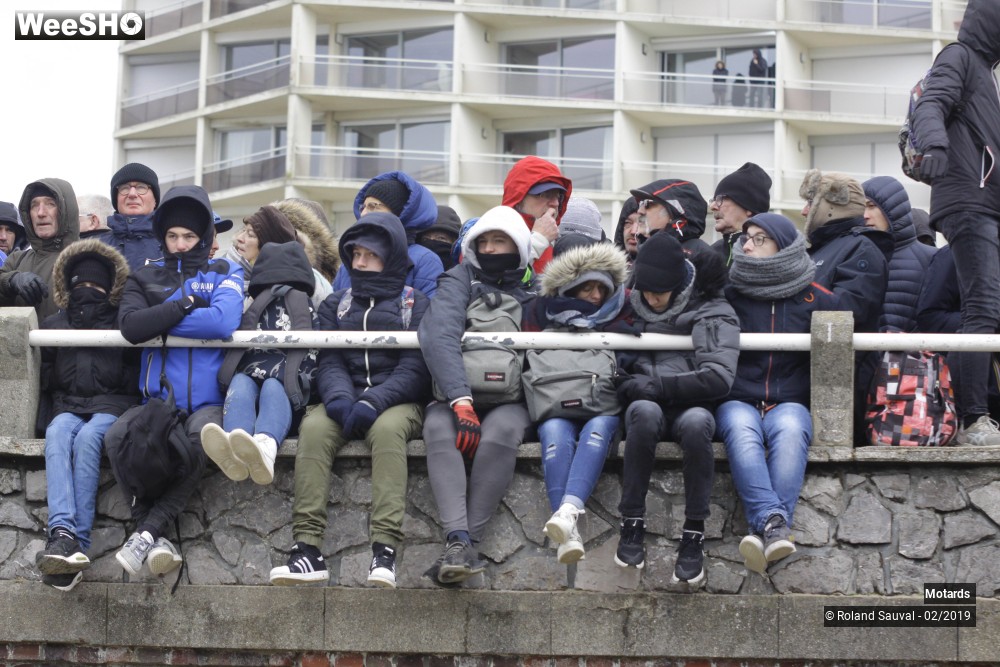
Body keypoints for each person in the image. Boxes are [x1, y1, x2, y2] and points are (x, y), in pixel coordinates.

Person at [269, 211, 430, 589]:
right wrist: (341, 399)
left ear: (390, 258)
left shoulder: (416, 303)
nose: (360, 263)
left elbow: (416, 369)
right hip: (347, 397)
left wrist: (374, 401)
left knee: (388, 432)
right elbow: (330, 360)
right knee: (314, 428)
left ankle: (384, 550)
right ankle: (307, 548)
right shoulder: (336, 304)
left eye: (370, 255)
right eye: (355, 255)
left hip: (398, 401)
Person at [105, 185, 243, 578]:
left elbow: (221, 321)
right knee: (117, 438)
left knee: (202, 440)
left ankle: (146, 532)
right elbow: (132, 327)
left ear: (204, 238)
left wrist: (161, 319)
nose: (180, 244)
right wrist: (183, 304)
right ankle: (154, 537)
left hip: (208, 400)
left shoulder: (225, 270)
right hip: (157, 401)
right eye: (172, 236)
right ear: (162, 236)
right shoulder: (144, 276)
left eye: (189, 236)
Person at [418, 205, 537, 587]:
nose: (489, 248)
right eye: (482, 241)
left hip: (512, 399)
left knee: (500, 435)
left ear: (518, 245)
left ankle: (467, 544)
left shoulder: (537, 288)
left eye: (499, 240)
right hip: (455, 397)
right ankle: (457, 541)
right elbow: (438, 334)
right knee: (438, 431)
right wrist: (460, 399)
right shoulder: (458, 279)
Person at [613, 233, 739, 590]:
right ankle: (632, 523)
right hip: (646, 405)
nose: (651, 300)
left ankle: (694, 533)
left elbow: (718, 376)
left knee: (699, 423)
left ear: (680, 283)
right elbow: (614, 363)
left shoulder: (712, 308)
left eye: (660, 293)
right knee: (642, 413)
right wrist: (626, 382)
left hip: (693, 405)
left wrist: (657, 386)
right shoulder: (628, 304)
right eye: (646, 292)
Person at [718, 213, 839, 574]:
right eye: (747, 239)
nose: (748, 246)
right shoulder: (729, 295)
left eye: (759, 239)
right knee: (741, 430)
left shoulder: (818, 299)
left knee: (790, 431)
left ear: (782, 246)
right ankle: (775, 523)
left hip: (790, 401)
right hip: (738, 398)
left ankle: (764, 529)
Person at [910, 0, 1000, 445]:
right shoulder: (959, 57)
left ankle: (980, 415)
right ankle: (973, 420)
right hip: (967, 199)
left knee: (987, 309)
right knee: (981, 309)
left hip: (982, 201)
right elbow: (931, 105)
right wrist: (935, 148)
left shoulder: (986, 75)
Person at [521, 239, 635, 564]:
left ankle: (567, 514)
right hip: (555, 406)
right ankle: (568, 531)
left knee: (599, 429)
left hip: (604, 406)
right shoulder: (539, 314)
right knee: (554, 433)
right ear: (570, 288)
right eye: (588, 288)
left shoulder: (622, 317)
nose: (597, 297)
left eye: (602, 288)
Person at [35, 239, 138, 591]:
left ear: (110, 288)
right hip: (68, 404)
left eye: (96, 285)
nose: (87, 291)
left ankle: (75, 542)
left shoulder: (123, 321)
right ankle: (61, 530)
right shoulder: (53, 325)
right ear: (68, 286)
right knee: (58, 434)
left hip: (112, 403)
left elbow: (134, 369)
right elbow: (45, 373)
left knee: (91, 437)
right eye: (80, 285)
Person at [205, 240, 319, 486]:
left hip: (286, 390)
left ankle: (265, 445)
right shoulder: (302, 304)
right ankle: (236, 440)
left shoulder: (255, 302)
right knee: (242, 382)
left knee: (268, 385)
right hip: (277, 380)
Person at [333, 171, 444, 298]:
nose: (363, 214)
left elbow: (428, 312)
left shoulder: (425, 260)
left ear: (399, 212)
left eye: (373, 206)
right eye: (363, 207)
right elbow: (334, 306)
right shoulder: (352, 256)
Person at [862, 176, 935, 332]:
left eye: (872, 206)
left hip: (916, 353)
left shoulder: (932, 258)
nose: (865, 215)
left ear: (893, 210)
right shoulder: (856, 258)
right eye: (861, 208)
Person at [0, 178, 80, 320]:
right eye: (34, 205)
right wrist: (10, 281)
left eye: (50, 204)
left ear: (66, 209)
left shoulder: (87, 258)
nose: (41, 213)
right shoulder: (16, 260)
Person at [501, 155, 573, 273]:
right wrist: (538, 240)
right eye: (544, 194)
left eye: (558, 196)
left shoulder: (557, 242)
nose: (555, 203)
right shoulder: (489, 234)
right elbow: (495, 280)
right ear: (518, 198)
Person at [99, 163, 162, 271]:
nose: (132, 194)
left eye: (141, 187)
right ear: (116, 199)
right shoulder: (98, 247)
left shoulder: (171, 244)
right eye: (124, 188)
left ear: (155, 200)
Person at [709, 162, 772, 267]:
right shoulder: (711, 254)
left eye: (720, 199)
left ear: (748, 206)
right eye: (713, 200)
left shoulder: (770, 255)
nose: (712, 206)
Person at [629, 179, 712, 257]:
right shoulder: (641, 251)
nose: (640, 211)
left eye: (647, 204)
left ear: (674, 213)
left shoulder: (700, 255)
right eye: (640, 204)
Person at [417, 204, 462, 271]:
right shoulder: (410, 269)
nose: (431, 241)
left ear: (454, 242)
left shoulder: (464, 275)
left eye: (441, 238)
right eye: (426, 239)